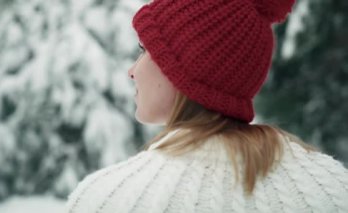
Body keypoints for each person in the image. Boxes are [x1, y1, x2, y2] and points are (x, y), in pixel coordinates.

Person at [66, 0, 348, 212]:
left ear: (185, 66)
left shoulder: (105, 199)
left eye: (144, 51)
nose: (132, 70)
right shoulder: (332, 185)